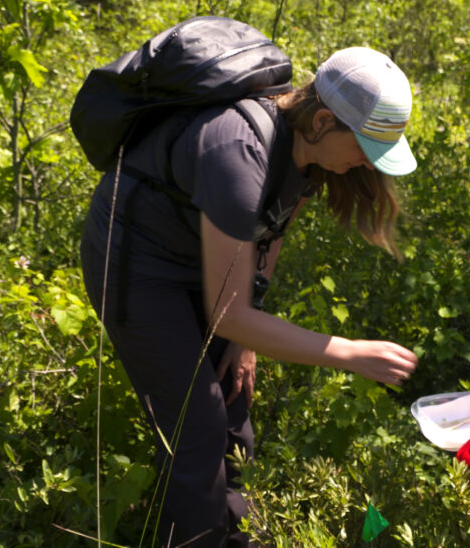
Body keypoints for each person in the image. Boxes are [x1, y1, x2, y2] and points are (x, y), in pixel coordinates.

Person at [79, 47, 419, 547]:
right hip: (136, 263)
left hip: (199, 261)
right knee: (195, 431)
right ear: (324, 120)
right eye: (364, 144)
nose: (367, 161)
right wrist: (348, 353)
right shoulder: (238, 150)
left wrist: (245, 332)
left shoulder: (306, 155)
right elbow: (226, 313)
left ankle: (235, 539)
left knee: (234, 412)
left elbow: (268, 232)